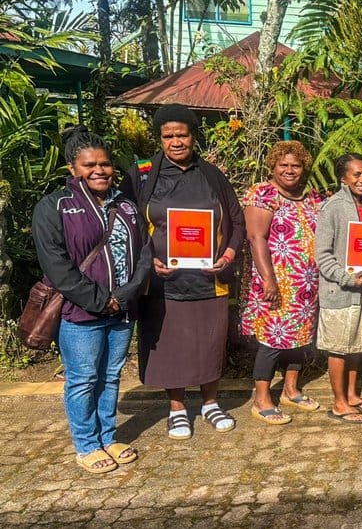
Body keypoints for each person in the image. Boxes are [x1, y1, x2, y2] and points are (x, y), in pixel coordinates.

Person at [121, 103, 246, 440]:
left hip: (210, 278)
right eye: (168, 136)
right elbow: (124, 223)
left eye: (182, 134)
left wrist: (230, 252)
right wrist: (147, 259)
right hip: (161, 281)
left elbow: (236, 220)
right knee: (170, 345)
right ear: (160, 139)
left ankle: (210, 402)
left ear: (193, 137)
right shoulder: (143, 175)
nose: (176, 141)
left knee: (210, 340)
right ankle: (176, 408)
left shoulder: (211, 174)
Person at [33, 127, 151, 474]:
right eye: (89, 165)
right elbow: (57, 266)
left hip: (122, 310)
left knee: (111, 375)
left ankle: (108, 435)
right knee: (83, 377)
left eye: (104, 164)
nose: (99, 170)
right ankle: (86, 445)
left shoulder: (126, 204)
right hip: (78, 312)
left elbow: (145, 252)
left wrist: (127, 294)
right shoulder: (55, 206)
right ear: (73, 168)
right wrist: (102, 300)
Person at [240, 141, 324, 425]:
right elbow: (256, 238)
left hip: (306, 284)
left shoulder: (310, 197)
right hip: (276, 281)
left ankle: (290, 390)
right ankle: (261, 398)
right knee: (271, 341)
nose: (290, 170)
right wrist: (269, 280)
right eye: (283, 165)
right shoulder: (263, 194)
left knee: (300, 340)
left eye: (296, 165)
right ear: (273, 167)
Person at [315, 153, 362, 424]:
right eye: (356, 174)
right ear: (343, 178)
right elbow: (322, 254)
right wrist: (345, 277)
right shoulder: (332, 207)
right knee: (339, 347)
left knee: (358, 344)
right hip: (341, 290)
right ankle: (339, 402)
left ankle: (353, 395)